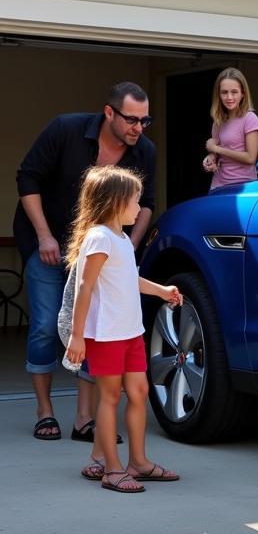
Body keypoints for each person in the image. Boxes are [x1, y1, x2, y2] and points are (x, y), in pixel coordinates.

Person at [14, 83, 157, 442]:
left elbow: (148, 203)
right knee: (47, 325)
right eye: (131, 120)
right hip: (50, 245)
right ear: (109, 113)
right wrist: (44, 236)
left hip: (103, 253)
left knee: (99, 328)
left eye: (144, 120)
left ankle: (83, 419)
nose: (138, 128)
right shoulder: (66, 129)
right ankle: (45, 411)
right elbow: (27, 177)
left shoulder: (144, 152)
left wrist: (126, 245)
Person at [64, 165, 181, 492]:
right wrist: (77, 335)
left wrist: (161, 291)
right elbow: (85, 287)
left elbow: (129, 279)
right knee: (110, 397)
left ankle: (138, 462)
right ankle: (112, 469)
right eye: (135, 200)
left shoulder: (121, 240)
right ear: (115, 202)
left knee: (140, 392)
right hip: (106, 335)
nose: (140, 207)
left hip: (130, 332)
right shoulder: (100, 237)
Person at [202, 68, 258, 190]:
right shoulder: (218, 121)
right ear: (218, 94)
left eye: (234, 92)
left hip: (244, 185)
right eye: (224, 92)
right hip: (218, 185)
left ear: (243, 93)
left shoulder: (250, 118)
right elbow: (215, 154)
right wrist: (210, 159)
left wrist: (217, 148)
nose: (229, 97)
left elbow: (250, 158)